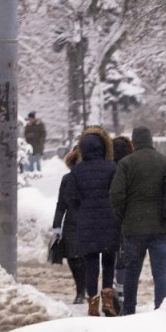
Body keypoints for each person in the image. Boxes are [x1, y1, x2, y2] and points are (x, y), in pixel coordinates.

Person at [109, 126, 166, 315]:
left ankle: (129, 310)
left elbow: (116, 195)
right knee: (161, 273)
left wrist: (124, 217)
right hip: (163, 227)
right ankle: (162, 312)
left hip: (134, 228)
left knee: (132, 272)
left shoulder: (126, 163)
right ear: (151, 141)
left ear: (133, 143)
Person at [66, 126, 120, 317]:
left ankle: (92, 304)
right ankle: (108, 301)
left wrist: (83, 210)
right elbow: (117, 194)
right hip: (109, 222)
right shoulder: (112, 168)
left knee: (90, 264)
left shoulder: (77, 171)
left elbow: (71, 198)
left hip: (87, 223)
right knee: (108, 262)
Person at [52, 147, 85, 305]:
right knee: (74, 258)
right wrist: (57, 226)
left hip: (85, 221)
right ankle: (81, 291)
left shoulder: (92, 177)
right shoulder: (67, 179)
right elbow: (61, 204)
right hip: (73, 222)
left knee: (80, 258)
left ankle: (82, 291)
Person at [111, 135, 135, 313]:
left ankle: (115, 287)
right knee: (126, 254)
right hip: (131, 217)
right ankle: (123, 288)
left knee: (113, 254)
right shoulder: (131, 166)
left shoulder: (110, 168)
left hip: (111, 216)